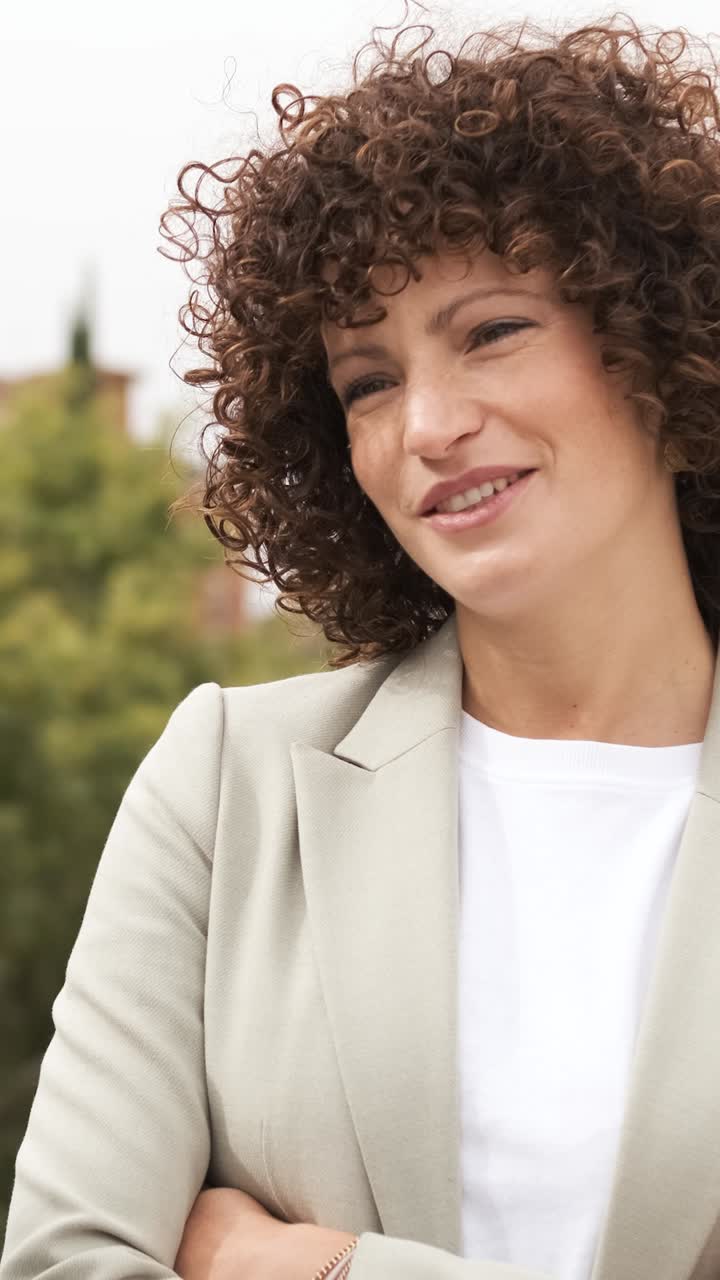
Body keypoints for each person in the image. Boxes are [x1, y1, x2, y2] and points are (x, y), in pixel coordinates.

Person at [3, 11, 720, 1280]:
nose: (429, 424)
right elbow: (68, 1260)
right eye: (368, 382)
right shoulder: (228, 784)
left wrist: (323, 1269)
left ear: (666, 345)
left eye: (492, 329)